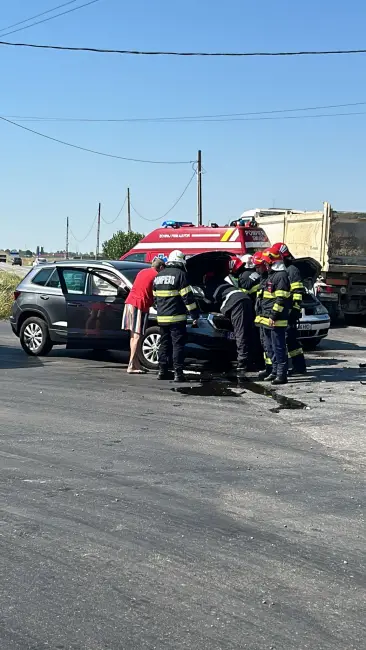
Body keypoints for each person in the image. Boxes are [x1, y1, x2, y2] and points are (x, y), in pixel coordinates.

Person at [153, 250, 199, 382]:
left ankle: (162, 371)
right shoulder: (181, 275)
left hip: (161, 318)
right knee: (177, 345)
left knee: (164, 344)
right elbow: (188, 298)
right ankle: (178, 373)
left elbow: (155, 298)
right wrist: (194, 315)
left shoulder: (159, 276)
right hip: (176, 318)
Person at [205, 274, 254, 380]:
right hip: (245, 300)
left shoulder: (211, 287)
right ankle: (249, 359)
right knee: (246, 331)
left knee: (240, 332)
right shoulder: (224, 284)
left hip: (237, 303)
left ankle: (242, 363)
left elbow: (209, 303)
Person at [122, 258, 165, 373]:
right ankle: (131, 366)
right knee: (137, 336)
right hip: (139, 305)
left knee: (133, 336)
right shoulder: (157, 276)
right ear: (161, 267)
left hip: (129, 303)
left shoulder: (142, 271)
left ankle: (136, 363)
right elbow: (155, 293)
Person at [255, 249, 291, 385]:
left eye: (266, 262)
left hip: (275, 319)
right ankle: (274, 371)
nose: (264, 265)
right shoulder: (270, 276)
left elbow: (281, 299)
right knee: (270, 347)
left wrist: (274, 316)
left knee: (278, 347)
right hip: (266, 317)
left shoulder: (281, 276)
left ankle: (282, 375)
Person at [269, 242, 307, 375]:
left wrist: (295, 310)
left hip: (290, 310)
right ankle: (298, 366)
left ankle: (299, 366)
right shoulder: (284, 268)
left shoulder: (292, 270)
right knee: (287, 339)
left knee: (291, 339)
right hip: (285, 310)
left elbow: (297, 292)